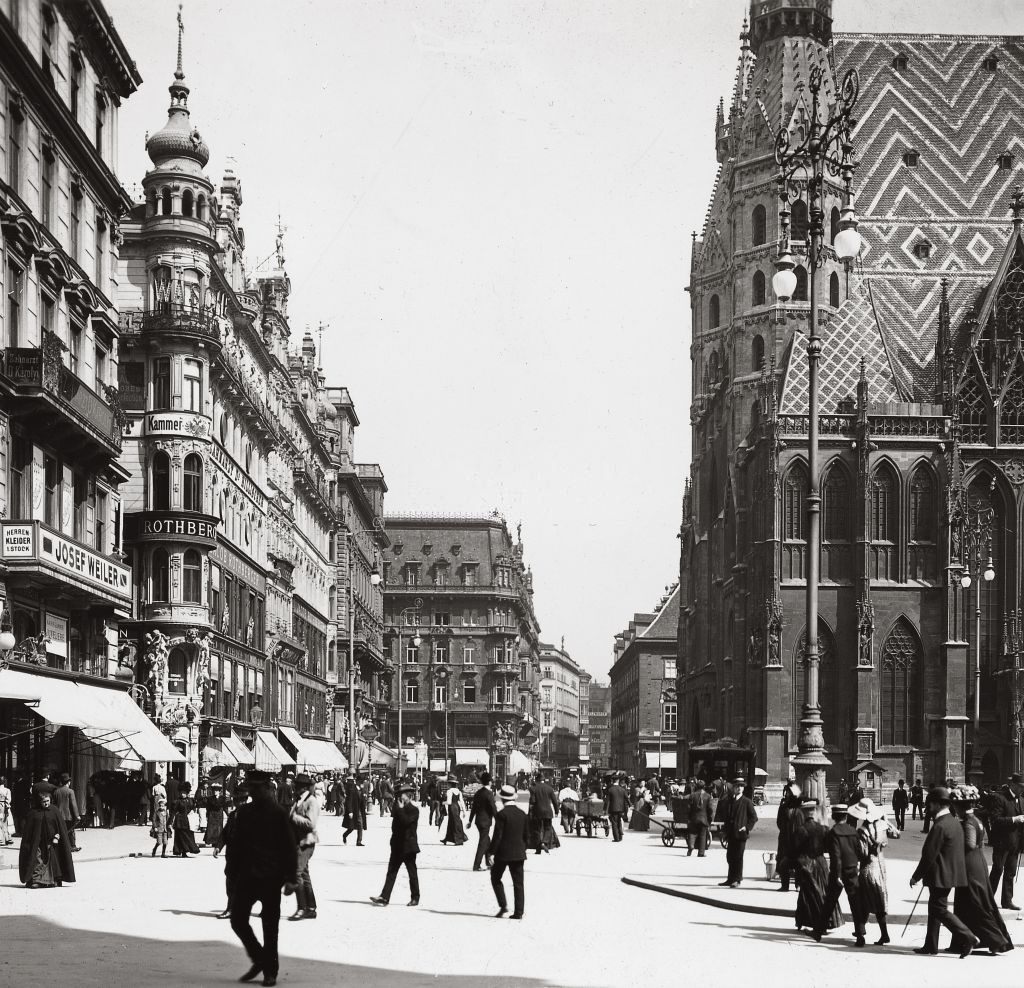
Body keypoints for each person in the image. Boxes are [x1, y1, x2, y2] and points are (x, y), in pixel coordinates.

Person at [223, 770, 297, 988]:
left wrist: (291, 877)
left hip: (271, 878)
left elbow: (289, 847)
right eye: (251, 788)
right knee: (237, 919)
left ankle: (270, 972)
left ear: (267, 788)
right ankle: (259, 959)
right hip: (247, 875)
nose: (254, 792)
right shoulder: (243, 812)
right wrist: (231, 871)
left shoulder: (278, 813)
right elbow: (237, 844)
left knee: (270, 926)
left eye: (257, 788)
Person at [909, 786, 978, 957]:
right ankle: (930, 945)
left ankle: (968, 936)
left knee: (939, 909)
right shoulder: (953, 821)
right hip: (949, 874)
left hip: (940, 874)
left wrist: (916, 876)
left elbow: (929, 855)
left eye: (929, 805)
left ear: (938, 804)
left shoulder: (940, 825)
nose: (927, 808)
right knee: (935, 909)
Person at [951, 785, 1014, 954]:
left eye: (955, 805)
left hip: (970, 866)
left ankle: (996, 940)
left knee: (975, 904)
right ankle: (963, 942)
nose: (954, 808)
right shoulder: (977, 820)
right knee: (971, 903)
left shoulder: (968, 823)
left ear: (961, 805)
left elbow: (969, 844)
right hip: (978, 864)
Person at [811, 803, 867, 946]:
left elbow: (836, 856)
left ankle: (818, 932)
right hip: (853, 870)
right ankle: (860, 934)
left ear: (834, 817)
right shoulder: (853, 831)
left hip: (839, 871)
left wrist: (837, 875)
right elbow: (859, 852)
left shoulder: (833, 833)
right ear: (846, 816)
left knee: (829, 902)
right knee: (855, 902)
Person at [791, 799, 841, 933]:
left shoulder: (801, 830)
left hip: (807, 863)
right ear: (814, 813)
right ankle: (825, 920)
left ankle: (810, 920)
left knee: (808, 893)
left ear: (804, 813)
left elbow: (795, 849)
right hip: (821, 862)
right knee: (823, 890)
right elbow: (828, 847)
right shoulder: (823, 829)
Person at [371, 782, 420, 906]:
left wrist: (401, 809)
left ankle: (415, 897)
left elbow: (406, 822)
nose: (399, 797)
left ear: (408, 796)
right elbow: (395, 826)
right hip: (397, 846)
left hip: (409, 847)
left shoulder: (414, 810)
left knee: (412, 873)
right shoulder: (398, 808)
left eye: (402, 795)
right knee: (391, 872)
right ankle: (384, 897)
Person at [854, 798, 893, 946]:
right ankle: (883, 933)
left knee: (863, 899)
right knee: (880, 899)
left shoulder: (862, 831)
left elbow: (862, 854)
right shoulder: (882, 825)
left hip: (868, 867)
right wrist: (887, 821)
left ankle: (861, 933)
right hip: (881, 865)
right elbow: (896, 834)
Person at [19, 789, 76, 888]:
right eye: (43, 802)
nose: (46, 804)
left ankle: (53, 880)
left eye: (47, 801)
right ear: (39, 802)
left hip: (52, 842)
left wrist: (57, 836)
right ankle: (36, 880)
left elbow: (60, 827)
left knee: (52, 861)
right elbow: (28, 830)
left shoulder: (54, 810)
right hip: (37, 842)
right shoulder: (33, 812)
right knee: (37, 859)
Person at [987, 772, 1024, 910]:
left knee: (1011, 872)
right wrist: (1015, 819)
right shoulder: (1000, 798)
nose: (1022, 789)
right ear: (1012, 785)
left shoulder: (1022, 800)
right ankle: (988, 901)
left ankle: (1007, 901)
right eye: (1020, 786)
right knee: (997, 870)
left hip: (1015, 843)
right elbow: (995, 820)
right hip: (1002, 842)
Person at [490, 784, 527, 919]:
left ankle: (503, 905)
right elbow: (526, 835)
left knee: (495, 877)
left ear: (503, 799)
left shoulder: (501, 814)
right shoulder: (522, 814)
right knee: (518, 883)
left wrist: (491, 852)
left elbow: (497, 836)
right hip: (519, 854)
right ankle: (519, 912)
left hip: (503, 853)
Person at [286, 773, 319, 921]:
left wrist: (293, 817)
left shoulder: (311, 801)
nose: (295, 788)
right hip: (298, 841)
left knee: (297, 873)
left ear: (304, 787)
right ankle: (311, 908)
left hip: (307, 842)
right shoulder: (298, 800)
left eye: (297, 786)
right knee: (304, 875)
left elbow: (311, 823)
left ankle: (301, 908)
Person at [720, 778, 756, 888]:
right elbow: (727, 817)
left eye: (741, 786)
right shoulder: (730, 801)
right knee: (730, 856)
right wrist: (724, 832)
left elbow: (753, 817)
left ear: (743, 788)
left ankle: (737, 879)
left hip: (741, 834)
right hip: (731, 833)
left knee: (738, 857)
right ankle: (730, 878)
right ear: (734, 788)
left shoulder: (747, 801)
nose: (739, 788)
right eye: (737, 786)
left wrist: (747, 827)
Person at [775, 781, 802, 891]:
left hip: (797, 838)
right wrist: (785, 829)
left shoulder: (800, 806)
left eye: (789, 792)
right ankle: (784, 884)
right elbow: (779, 821)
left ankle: (798, 884)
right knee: (783, 861)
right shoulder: (784, 806)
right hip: (785, 838)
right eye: (787, 792)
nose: (787, 794)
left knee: (799, 862)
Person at [468, 772, 497, 871]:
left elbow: (473, 808)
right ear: (489, 782)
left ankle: (489, 862)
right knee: (482, 843)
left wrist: (470, 821)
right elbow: (493, 808)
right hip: (485, 821)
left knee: (486, 840)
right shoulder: (489, 794)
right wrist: (499, 820)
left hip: (478, 821)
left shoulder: (478, 793)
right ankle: (476, 865)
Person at [528, 775, 559, 853]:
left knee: (537, 829)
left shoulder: (533, 788)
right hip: (548, 811)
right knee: (548, 828)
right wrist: (556, 811)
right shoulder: (549, 788)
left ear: (537, 780)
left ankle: (538, 849)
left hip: (537, 811)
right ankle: (544, 842)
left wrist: (530, 812)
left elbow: (532, 801)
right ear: (544, 780)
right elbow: (555, 801)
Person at [53, 773, 81, 853]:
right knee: (71, 831)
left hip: (59, 815)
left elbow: (54, 804)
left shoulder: (56, 791)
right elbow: (73, 804)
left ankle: (62, 846)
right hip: (68, 816)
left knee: (60, 831)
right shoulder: (70, 791)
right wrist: (77, 816)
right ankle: (72, 846)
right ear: (69, 782)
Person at [171, 781, 200, 857]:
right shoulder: (177, 801)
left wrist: (193, 812)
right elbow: (173, 812)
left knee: (188, 835)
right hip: (179, 820)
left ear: (187, 793)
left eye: (184, 792)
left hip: (188, 821)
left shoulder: (190, 800)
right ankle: (181, 851)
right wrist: (170, 822)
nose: (182, 794)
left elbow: (193, 808)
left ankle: (188, 850)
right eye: (181, 792)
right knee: (180, 836)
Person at [685, 779, 713, 857]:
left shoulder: (692, 795)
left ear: (696, 786)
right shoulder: (708, 796)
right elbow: (710, 809)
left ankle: (691, 845)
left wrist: (689, 817)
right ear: (704, 787)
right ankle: (701, 853)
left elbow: (688, 808)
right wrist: (709, 819)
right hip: (704, 819)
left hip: (694, 818)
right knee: (703, 835)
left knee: (692, 832)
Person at [441, 778, 469, 845]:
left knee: (454, 823)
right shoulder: (459, 791)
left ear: (450, 785)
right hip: (457, 807)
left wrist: (443, 803)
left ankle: (459, 839)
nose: (447, 785)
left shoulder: (449, 791)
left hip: (452, 808)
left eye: (448, 784)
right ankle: (447, 838)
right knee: (452, 822)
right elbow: (462, 802)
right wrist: (464, 812)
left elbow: (449, 802)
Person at [342, 775, 366, 846]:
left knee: (360, 825)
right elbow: (349, 800)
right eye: (361, 781)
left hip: (359, 810)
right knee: (351, 827)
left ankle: (359, 841)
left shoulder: (361, 789)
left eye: (362, 782)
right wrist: (350, 811)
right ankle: (345, 835)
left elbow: (362, 800)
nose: (362, 783)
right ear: (357, 781)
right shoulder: (352, 789)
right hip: (353, 809)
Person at [605, 776, 628, 842]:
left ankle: (616, 838)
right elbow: (627, 798)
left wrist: (605, 809)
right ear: (618, 781)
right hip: (621, 809)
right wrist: (630, 805)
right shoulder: (622, 789)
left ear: (612, 781)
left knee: (614, 823)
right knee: (619, 822)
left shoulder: (610, 789)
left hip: (613, 809)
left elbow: (607, 801)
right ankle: (620, 836)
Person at [204, 783, 227, 847]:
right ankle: (211, 841)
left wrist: (228, 814)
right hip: (212, 814)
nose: (215, 792)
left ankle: (217, 841)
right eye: (214, 791)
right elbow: (208, 807)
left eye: (216, 791)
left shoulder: (222, 798)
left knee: (219, 828)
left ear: (219, 791)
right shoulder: (210, 798)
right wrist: (207, 814)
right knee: (211, 828)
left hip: (219, 814)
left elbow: (224, 807)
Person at [150, 790, 170, 858]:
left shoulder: (166, 813)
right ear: (159, 806)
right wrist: (155, 826)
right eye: (160, 806)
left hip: (165, 829)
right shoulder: (157, 812)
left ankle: (163, 853)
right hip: (159, 828)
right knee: (159, 842)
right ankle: (154, 849)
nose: (162, 807)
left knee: (165, 842)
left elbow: (168, 819)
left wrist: (169, 825)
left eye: (163, 806)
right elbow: (154, 820)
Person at [0, 775, 12, 846]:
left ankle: (1, 839)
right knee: (4, 823)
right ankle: (6, 839)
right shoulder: (7, 790)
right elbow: (8, 800)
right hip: (4, 807)